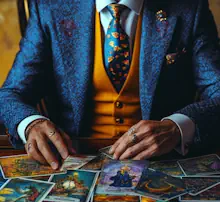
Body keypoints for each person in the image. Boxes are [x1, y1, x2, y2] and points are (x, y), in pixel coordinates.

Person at [0, 0, 219, 170]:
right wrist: (30, 124)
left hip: (162, 163)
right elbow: (10, 93)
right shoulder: (51, 7)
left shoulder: (190, 7)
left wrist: (177, 127)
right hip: (70, 161)